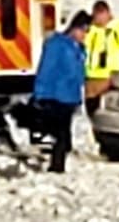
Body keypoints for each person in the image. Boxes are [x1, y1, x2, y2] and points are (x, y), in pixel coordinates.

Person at [33, 10, 92, 173]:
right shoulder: (57, 45)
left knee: (65, 136)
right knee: (61, 136)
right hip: (55, 96)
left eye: (86, 32)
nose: (84, 35)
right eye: (82, 30)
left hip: (69, 97)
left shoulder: (77, 48)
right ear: (74, 28)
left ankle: (58, 164)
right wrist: (40, 93)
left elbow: (78, 74)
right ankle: (56, 167)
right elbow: (46, 69)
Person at [84, 0, 119, 107]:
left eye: (101, 15)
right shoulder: (90, 29)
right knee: (91, 106)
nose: (99, 19)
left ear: (108, 14)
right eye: (97, 15)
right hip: (90, 76)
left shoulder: (117, 29)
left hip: (110, 76)